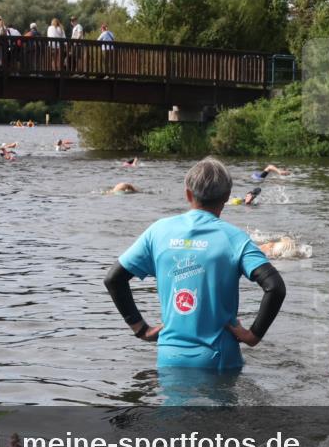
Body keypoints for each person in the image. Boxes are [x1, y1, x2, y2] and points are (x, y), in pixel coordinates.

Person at [104, 157, 286, 370]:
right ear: (227, 197)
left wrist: (141, 329)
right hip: (218, 360)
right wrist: (253, 335)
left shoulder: (158, 231)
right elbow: (275, 287)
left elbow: (114, 279)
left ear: (187, 194)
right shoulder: (235, 238)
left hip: (169, 358)